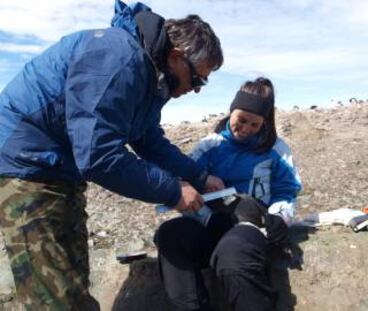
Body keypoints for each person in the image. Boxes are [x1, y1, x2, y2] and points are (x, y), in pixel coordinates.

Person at [0, 0, 224, 309]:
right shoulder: (119, 60)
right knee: (50, 298)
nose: (197, 89)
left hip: (61, 168)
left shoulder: (150, 77)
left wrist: (199, 178)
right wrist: (173, 191)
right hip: (27, 166)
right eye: (197, 79)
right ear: (176, 57)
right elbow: (98, 155)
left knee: (74, 282)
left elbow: (148, 140)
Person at [155, 77, 302, 311]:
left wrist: (280, 217)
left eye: (255, 125)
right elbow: (184, 180)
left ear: (265, 122)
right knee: (170, 234)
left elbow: (286, 190)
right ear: (231, 111)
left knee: (233, 254)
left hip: (251, 227)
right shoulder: (209, 146)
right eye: (241, 120)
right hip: (211, 223)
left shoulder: (277, 150)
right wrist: (205, 216)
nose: (245, 129)